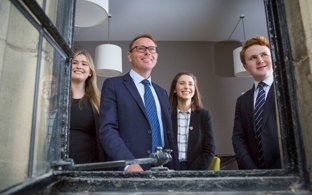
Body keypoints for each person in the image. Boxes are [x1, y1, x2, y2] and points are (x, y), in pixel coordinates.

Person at [99, 33, 179, 172]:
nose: (147, 52)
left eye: (152, 49)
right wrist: (128, 163)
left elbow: (169, 134)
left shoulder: (162, 92)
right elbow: (107, 129)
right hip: (131, 170)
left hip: (165, 170)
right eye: (141, 48)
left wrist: (176, 169)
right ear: (129, 56)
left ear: (156, 56)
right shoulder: (113, 85)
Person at [232, 35, 281, 169]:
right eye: (253, 58)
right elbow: (238, 138)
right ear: (245, 66)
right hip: (254, 175)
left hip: (288, 172)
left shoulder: (286, 90)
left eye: (264, 54)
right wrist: (251, 170)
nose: (260, 60)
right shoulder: (242, 100)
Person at [169, 72, 216, 170]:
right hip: (170, 170)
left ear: (194, 90)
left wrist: (193, 172)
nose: (186, 87)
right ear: (174, 89)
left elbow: (210, 150)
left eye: (190, 84)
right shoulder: (166, 115)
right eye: (182, 83)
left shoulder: (204, 115)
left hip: (196, 171)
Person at [69, 50, 105, 164]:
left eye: (84, 64)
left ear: (90, 72)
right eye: (75, 62)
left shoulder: (98, 101)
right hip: (57, 165)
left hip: (89, 165)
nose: (79, 66)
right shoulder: (58, 98)